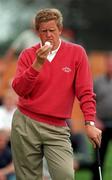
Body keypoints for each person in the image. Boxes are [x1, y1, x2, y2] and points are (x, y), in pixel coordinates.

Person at [10, 8, 102, 180]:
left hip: (57, 126)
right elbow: (20, 89)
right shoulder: (28, 55)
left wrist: (89, 122)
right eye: (43, 31)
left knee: (65, 175)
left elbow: (86, 92)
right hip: (25, 123)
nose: (48, 35)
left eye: (52, 30)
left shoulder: (77, 53)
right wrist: (37, 64)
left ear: (60, 30)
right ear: (38, 32)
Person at [92, 51, 112, 180]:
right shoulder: (98, 81)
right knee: (99, 158)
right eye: (109, 62)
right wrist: (95, 119)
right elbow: (89, 102)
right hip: (102, 125)